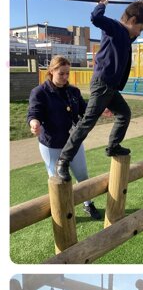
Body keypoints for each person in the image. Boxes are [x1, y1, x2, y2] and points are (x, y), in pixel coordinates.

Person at [55, 0, 143, 181]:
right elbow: (95, 18)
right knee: (86, 123)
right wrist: (102, 5)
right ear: (131, 21)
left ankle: (113, 146)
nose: (139, 33)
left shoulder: (127, 36)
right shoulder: (114, 28)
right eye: (140, 28)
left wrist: (140, 6)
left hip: (112, 88)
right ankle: (63, 161)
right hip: (102, 84)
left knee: (124, 113)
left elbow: (134, 28)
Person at [27, 55, 102, 219]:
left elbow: (85, 109)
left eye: (68, 73)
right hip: (51, 145)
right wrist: (34, 123)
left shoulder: (73, 91)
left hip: (73, 142)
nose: (65, 77)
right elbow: (34, 113)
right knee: (58, 182)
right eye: (61, 73)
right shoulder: (39, 92)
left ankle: (88, 204)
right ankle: (61, 211)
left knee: (82, 176)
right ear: (51, 71)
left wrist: (101, 109)